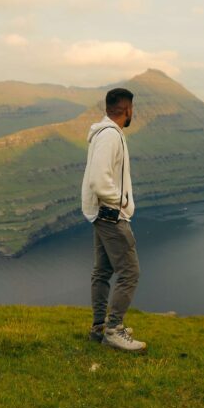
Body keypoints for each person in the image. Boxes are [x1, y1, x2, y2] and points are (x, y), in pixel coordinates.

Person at [80, 87, 147, 353]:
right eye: (133, 109)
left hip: (100, 214)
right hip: (110, 215)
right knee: (130, 273)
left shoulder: (104, 133)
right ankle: (114, 330)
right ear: (127, 109)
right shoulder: (110, 136)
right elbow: (98, 180)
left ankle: (99, 327)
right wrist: (120, 202)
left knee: (103, 272)